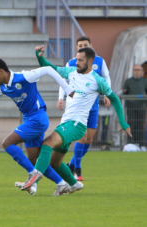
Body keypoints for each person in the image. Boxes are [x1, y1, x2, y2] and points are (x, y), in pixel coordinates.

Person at [21, 47, 131, 194]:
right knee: (55, 162)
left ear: (90, 61)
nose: (77, 62)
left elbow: (115, 100)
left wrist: (123, 123)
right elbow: (51, 69)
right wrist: (40, 58)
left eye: (80, 60)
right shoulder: (71, 71)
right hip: (66, 122)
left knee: (47, 143)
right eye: (76, 59)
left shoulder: (98, 81)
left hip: (77, 125)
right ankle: (74, 184)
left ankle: (34, 179)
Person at [0, 58, 76, 196]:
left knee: (7, 143)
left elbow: (48, 69)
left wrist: (68, 89)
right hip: (29, 120)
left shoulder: (25, 77)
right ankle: (61, 184)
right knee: (34, 158)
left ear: (1, 71)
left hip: (38, 118)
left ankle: (33, 174)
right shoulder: (1, 86)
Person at [57, 36, 111, 181]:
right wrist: (60, 97)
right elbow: (63, 81)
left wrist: (107, 94)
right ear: (77, 47)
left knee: (89, 140)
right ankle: (77, 169)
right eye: (80, 45)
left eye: (85, 44)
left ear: (90, 45)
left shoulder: (99, 61)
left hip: (93, 105)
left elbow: (106, 77)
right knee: (82, 137)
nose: (82, 46)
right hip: (78, 105)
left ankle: (72, 164)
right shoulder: (72, 63)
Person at [123, 64, 147, 145]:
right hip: (131, 107)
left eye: (138, 70)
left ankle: (141, 144)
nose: (137, 71)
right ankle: (131, 143)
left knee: (141, 125)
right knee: (131, 125)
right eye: (135, 70)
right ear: (133, 71)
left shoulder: (145, 81)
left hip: (141, 106)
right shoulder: (128, 81)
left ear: (141, 71)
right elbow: (124, 93)